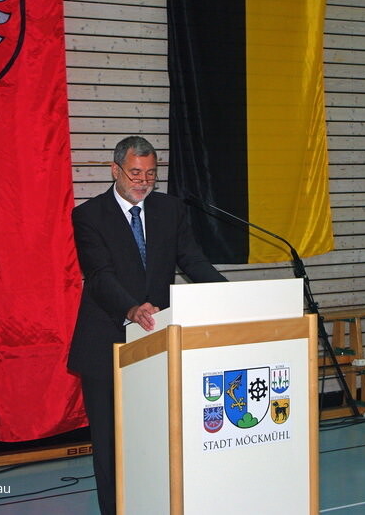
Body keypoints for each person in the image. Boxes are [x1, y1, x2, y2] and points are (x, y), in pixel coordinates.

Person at [67, 136, 226, 515]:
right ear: (115, 170)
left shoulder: (170, 210)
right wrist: (131, 308)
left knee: (159, 436)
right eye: (135, 174)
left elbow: (192, 260)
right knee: (111, 443)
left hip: (158, 340)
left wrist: (227, 294)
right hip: (106, 341)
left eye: (151, 174)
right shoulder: (89, 215)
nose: (143, 182)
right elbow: (99, 275)